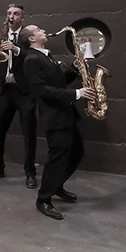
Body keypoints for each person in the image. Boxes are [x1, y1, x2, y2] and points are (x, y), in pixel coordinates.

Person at [22, 24, 97, 220]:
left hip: (65, 113)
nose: (43, 30)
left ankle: (56, 186)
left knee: (76, 152)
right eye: (38, 30)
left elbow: (57, 82)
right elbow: (41, 90)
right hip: (53, 116)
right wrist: (77, 93)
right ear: (31, 39)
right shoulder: (31, 59)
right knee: (57, 158)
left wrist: (73, 69)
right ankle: (43, 199)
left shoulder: (46, 56)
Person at [0, 4, 38, 188]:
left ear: (22, 18)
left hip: (25, 91)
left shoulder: (29, 34)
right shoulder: (2, 35)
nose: (11, 16)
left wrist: (17, 50)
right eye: (9, 13)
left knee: (29, 132)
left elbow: (36, 57)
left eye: (16, 14)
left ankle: (30, 172)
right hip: (5, 89)